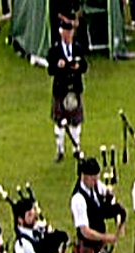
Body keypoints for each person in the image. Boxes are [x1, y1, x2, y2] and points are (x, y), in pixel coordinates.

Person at [47, 18, 88, 162]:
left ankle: (77, 148)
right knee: (59, 122)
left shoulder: (77, 47)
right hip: (60, 90)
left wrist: (79, 67)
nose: (68, 35)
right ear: (61, 33)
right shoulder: (55, 50)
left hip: (75, 89)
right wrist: (58, 65)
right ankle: (60, 150)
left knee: (76, 122)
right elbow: (50, 70)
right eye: (66, 32)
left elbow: (85, 66)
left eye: (70, 32)